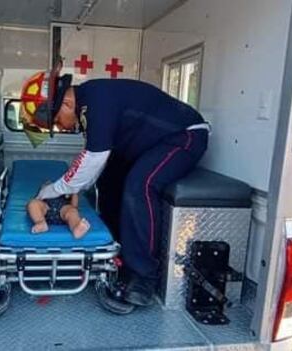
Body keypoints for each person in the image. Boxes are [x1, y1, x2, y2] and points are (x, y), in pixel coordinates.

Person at [19, 67, 209, 308]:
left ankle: (143, 276)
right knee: (108, 180)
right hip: (148, 145)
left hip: (185, 136)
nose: (61, 127)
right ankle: (115, 246)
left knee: (141, 185)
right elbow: (91, 166)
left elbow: (91, 161)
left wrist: (54, 189)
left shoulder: (96, 101)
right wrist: (64, 187)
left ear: (67, 103)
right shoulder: (89, 102)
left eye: (56, 121)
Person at [27, 182, 91, 239]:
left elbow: (74, 205)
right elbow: (34, 203)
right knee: (33, 204)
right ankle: (41, 223)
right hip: (46, 209)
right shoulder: (43, 196)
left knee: (72, 211)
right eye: (47, 185)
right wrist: (34, 203)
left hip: (63, 209)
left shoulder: (64, 193)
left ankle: (76, 228)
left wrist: (74, 192)